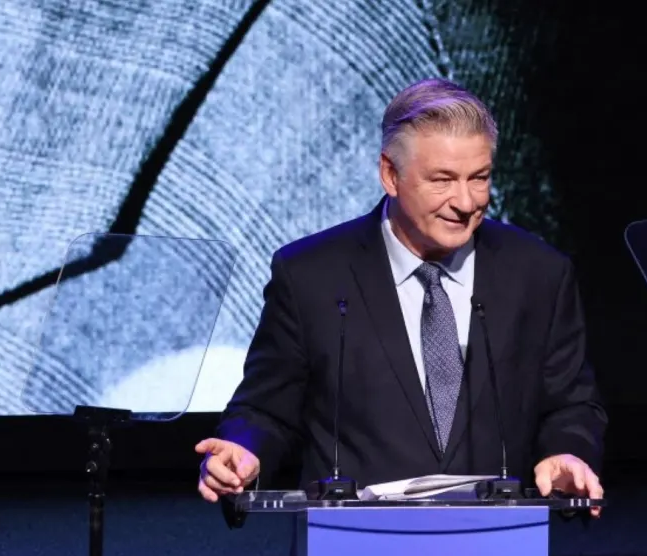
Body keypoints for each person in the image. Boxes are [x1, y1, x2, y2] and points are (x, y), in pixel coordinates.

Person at [196, 78, 606, 507]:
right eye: (443, 180)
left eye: (479, 178)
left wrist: (568, 452)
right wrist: (243, 450)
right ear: (390, 175)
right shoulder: (310, 275)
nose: (465, 202)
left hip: (496, 548)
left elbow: (572, 405)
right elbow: (266, 409)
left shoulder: (538, 273)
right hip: (353, 549)